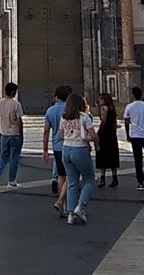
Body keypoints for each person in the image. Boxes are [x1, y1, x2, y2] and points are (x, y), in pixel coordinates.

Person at [60, 93, 99, 225]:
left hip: (66, 149)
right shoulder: (84, 117)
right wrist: (96, 145)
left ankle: (70, 214)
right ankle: (80, 207)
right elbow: (93, 134)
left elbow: (61, 135)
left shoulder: (64, 117)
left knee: (72, 182)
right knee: (89, 180)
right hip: (79, 149)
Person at [42, 85, 73, 216]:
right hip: (71, 145)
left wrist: (45, 150)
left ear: (56, 96)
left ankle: (63, 204)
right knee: (71, 177)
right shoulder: (70, 109)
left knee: (61, 176)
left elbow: (46, 131)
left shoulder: (50, 111)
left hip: (57, 147)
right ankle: (65, 203)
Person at [0, 82, 24, 190]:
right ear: (13, 92)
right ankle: (11, 181)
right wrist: (21, 134)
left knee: (3, 156)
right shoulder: (16, 104)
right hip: (14, 133)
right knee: (14, 158)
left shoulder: (0, 102)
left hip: (4, 134)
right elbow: (20, 121)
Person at [96, 93, 120, 188]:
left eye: (100, 99)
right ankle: (115, 178)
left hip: (104, 134)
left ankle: (102, 179)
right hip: (111, 134)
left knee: (103, 156)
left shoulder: (104, 108)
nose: (99, 101)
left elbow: (103, 120)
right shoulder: (112, 109)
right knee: (112, 156)